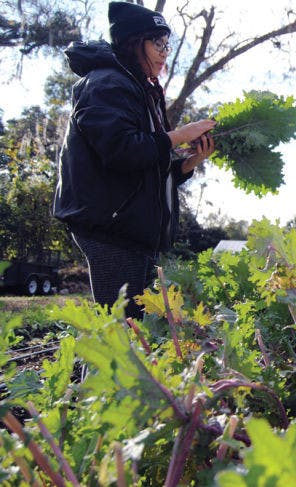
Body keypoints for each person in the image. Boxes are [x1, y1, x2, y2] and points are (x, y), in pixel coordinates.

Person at [53, 2, 216, 319]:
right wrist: (179, 135)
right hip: (110, 227)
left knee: (131, 327)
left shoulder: (140, 89)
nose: (165, 52)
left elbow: (147, 164)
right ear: (133, 41)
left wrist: (189, 162)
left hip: (129, 229)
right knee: (120, 329)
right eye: (157, 42)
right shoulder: (107, 84)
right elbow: (120, 150)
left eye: (166, 44)